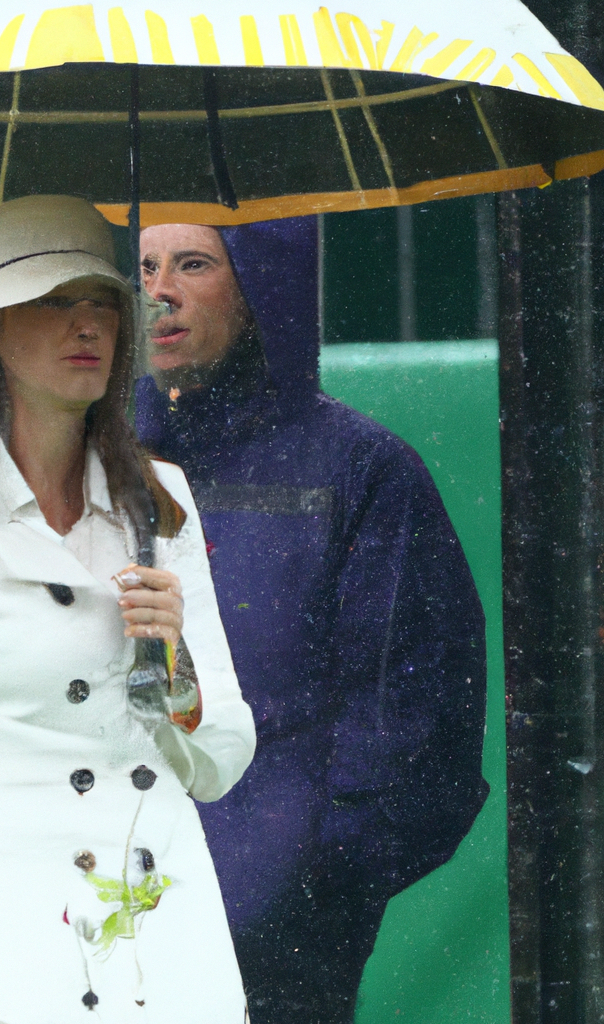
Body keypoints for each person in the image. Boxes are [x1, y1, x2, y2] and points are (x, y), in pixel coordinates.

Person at [0, 195, 256, 1024]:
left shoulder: (161, 501)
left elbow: (221, 764)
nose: (87, 325)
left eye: (102, 302)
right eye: (53, 301)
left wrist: (170, 660)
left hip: (170, 960)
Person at [135, 219, 489, 1024]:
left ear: (261, 291)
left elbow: (416, 723)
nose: (161, 290)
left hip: (284, 952)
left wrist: (313, 890)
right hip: (109, 912)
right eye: (147, 265)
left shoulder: (363, 470)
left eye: (193, 263)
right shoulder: (99, 465)